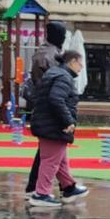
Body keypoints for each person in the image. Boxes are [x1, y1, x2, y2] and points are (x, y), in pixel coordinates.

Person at [28, 51, 88, 208]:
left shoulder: (54, 74)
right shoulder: (63, 77)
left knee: (59, 159)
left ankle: (69, 188)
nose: (81, 67)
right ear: (72, 62)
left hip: (47, 123)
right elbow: (56, 99)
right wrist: (68, 121)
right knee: (51, 161)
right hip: (53, 125)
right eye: (80, 63)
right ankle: (41, 194)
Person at [24, 20, 67, 198]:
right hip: (48, 106)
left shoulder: (50, 53)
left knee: (52, 149)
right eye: (61, 34)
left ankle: (66, 184)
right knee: (51, 149)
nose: (63, 37)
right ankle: (37, 188)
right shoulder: (48, 56)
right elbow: (53, 84)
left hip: (46, 104)